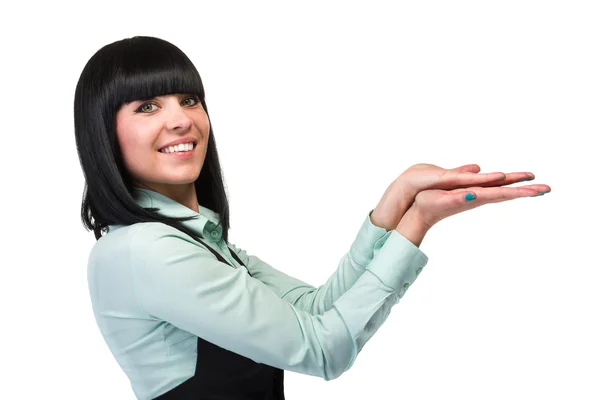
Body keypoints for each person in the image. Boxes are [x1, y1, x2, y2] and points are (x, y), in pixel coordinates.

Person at [74, 36, 551, 400]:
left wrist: (396, 204)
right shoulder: (143, 252)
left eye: (189, 99)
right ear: (103, 134)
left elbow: (315, 310)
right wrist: (417, 223)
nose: (182, 120)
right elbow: (323, 349)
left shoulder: (192, 241)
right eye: (148, 106)